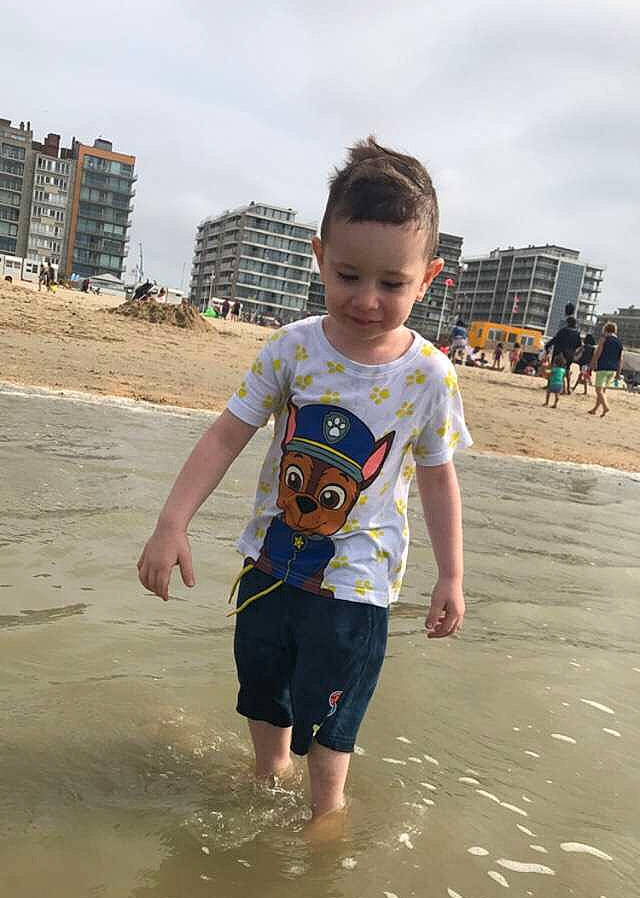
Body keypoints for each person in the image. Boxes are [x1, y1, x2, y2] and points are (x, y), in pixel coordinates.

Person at [137, 136, 472, 828]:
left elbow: (439, 480)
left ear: (429, 277)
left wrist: (451, 577)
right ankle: (267, 779)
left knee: (334, 709)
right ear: (320, 256)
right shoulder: (292, 347)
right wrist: (173, 523)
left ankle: (326, 816)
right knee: (262, 685)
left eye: (392, 283)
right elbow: (226, 432)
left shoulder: (430, 375)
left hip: (357, 584)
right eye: (349, 275)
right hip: (269, 563)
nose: (367, 300)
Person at [589, 322, 623, 416]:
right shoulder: (619, 343)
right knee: (602, 390)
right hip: (613, 369)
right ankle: (595, 409)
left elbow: (598, 353)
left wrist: (592, 364)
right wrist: (618, 373)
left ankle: (606, 407)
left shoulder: (604, 339)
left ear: (606, 329)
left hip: (603, 367)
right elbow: (620, 359)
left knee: (598, 390)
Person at [544, 315, 582, 393]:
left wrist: (547, 346)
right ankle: (568, 389)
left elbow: (555, 339)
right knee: (567, 370)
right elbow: (579, 344)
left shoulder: (563, 330)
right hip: (570, 354)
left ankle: (550, 385)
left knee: (554, 369)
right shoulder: (577, 333)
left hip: (559, 353)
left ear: (568, 323)